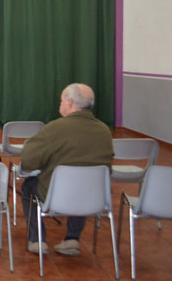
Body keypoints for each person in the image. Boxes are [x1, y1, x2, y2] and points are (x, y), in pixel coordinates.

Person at [20, 83, 114, 256]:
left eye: (61, 100)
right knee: (83, 182)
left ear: (69, 103)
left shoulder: (56, 128)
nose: (60, 104)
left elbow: (27, 161)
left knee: (28, 187)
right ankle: (72, 238)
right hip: (94, 196)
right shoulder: (104, 131)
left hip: (57, 195)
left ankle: (37, 239)